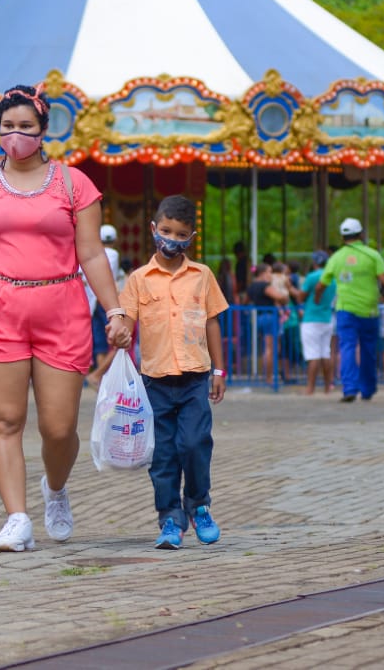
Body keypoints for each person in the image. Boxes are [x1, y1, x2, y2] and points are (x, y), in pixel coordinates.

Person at [0, 84, 127, 552]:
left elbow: (92, 254)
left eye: (26, 126)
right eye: (8, 126)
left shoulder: (73, 183)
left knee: (59, 428)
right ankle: (17, 517)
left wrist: (115, 309)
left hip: (61, 309)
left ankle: (56, 489)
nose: (16, 135)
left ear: (44, 131)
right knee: (6, 419)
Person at [117, 195, 229, 550]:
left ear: (191, 237)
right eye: (165, 230)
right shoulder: (138, 280)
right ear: (154, 229)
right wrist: (119, 330)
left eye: (180, 234)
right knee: (164, 455)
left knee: (195, 445)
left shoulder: (202, 276)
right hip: (155, 383)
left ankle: (199, 506)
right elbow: (126, 321)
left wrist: (219, 370)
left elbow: (212, 321)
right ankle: (169, 519)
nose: (171, 239)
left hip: (196, 378)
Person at [313, 218, 384, 402]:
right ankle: (368, 389)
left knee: (347, 348)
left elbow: (321, 285)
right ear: (361, 234)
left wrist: (317, 300)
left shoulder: (336, 258)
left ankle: (349, 389)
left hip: (345, 310)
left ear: (342, 236)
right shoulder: (372, 255)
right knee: (368, 350)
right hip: (369, 311)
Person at [84, 223, 124, 387]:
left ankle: (99, 376)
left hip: (92, 302)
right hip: (107, 302)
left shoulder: (90, 253)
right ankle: (101, 377)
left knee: (100, 341)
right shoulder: (113, 254)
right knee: (115, 341)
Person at [298, 251, 336, 394]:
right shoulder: (332, 277)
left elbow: (301, 297)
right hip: (327, 318)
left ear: (314, 263)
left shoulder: (312, 277)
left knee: (313, 355)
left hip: (311, 318)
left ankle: (310, 388)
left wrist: (290, 289)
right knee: (325, 353)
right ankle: (327, 387)